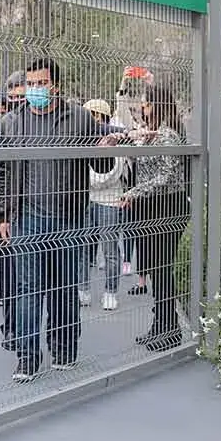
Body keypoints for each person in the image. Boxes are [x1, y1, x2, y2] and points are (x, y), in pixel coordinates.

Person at [0, 58, 114, 381]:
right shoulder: (13, 122)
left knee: (64, 288)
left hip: (70, 218)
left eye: (41, 83)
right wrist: (4, 213)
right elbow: (3, 171)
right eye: (31, 84)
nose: (35, 89)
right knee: (28, 289)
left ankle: (65, 348)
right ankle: (27, 357)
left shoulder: (79, 118)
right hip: (27, 218)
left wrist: (105, 149)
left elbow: (101, 165)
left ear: (55, 85)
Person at [114, 84, 189, 352]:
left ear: (157, 106)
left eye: (145, 104)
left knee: (162, 269)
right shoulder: (151, 133)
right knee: (156, 270)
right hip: (151, 208)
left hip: (167, 208)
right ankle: (161, 325)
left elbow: (167, 175)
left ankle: (171, 330)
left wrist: (135, 191)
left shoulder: (167, 135)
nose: (141, 108)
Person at [84, 99, 129, 311]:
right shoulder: (82, 139)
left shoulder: (115, 140)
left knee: (110, 249)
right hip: (86, 200)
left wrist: (86, 180)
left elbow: (109, 176)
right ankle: (83, 288)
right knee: (84, 248)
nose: (91, 120)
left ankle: (111, 291)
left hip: (109, 201)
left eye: (94, 115)